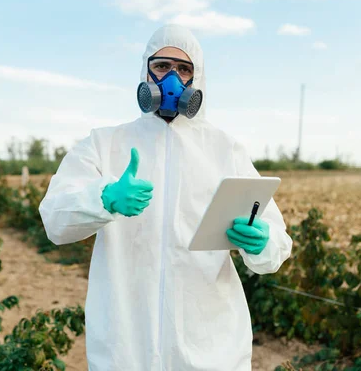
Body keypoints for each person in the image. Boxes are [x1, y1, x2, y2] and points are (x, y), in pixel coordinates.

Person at [39, 24, 293, 371]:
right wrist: (103, 197)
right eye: (162, 67)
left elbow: (276, 244)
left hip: (211, 347)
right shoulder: (104, 144)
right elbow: (54, 220)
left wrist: (261, 243)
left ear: (197, 80)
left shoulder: (224, 150)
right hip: (127, 347)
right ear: (145, 71)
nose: (172, 79)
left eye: (184, 69)